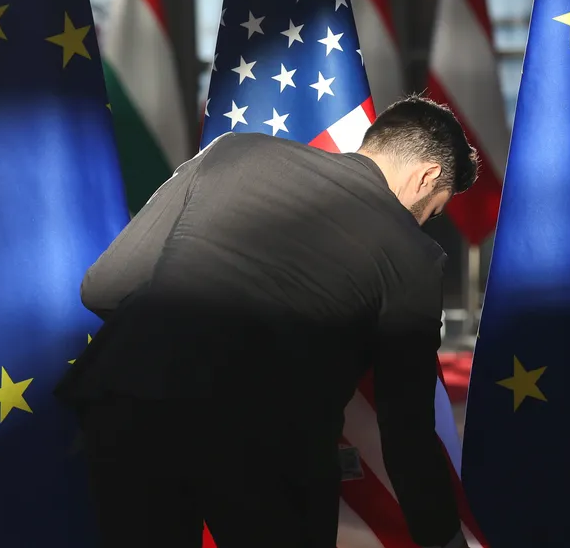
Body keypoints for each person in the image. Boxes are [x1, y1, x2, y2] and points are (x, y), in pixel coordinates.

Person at [55, 94, 477, 548]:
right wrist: (444, 538)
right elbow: (406, 430)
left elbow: (102, 286)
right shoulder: (414, 259)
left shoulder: (232, 151)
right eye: (432, 211)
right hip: (268, 439)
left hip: (128, 395)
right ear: (426, 175)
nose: (423, 224)